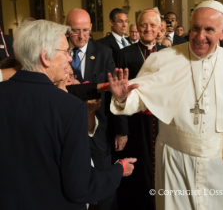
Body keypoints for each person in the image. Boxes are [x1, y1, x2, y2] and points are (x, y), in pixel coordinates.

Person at [109, 0, 223, 210]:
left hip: (221, 161)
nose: (200, 36)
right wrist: (122, 98)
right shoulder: (164, 59)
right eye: (195, 28)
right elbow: (139, 97)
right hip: (175, 159)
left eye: (209, 29)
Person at [0, 19, 136, 210]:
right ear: (45, 57)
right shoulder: (69, 108)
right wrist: (118, 169)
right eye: (65, 51)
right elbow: (81, 186)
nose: (70, 58)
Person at [66, 9, 129, 210]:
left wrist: (121, 130)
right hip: (66, 128)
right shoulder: (57, 52)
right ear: (67, 30)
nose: (82, 36)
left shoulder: (103, 52)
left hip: (98, 128)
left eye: (85, 30)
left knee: (104, 184)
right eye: (76, 31)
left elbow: (115, 93)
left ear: (91, 27)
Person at [113, 8, 166, 210]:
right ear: (137, 26)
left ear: (160, 27)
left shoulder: (167, 54)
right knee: (138, 168)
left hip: (162, 120)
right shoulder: (124, 54)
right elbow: (117, 94)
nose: (148, 29)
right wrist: (121, 129)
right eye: (143, 25)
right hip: (135, 121)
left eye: (153, 25)